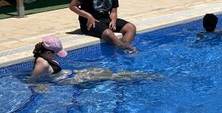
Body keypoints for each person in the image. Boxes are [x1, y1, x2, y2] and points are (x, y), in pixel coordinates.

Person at [29, 36, 158, 84]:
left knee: (104, 71)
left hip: (71, 74)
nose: (57, 56)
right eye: (56, 54)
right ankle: (142, 77)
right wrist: (40, 87)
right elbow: (32, 80)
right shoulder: (42, 63)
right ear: (47, 52)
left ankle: (140, 76)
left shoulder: (44, 58)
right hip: (69, 79)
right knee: (111, 76)